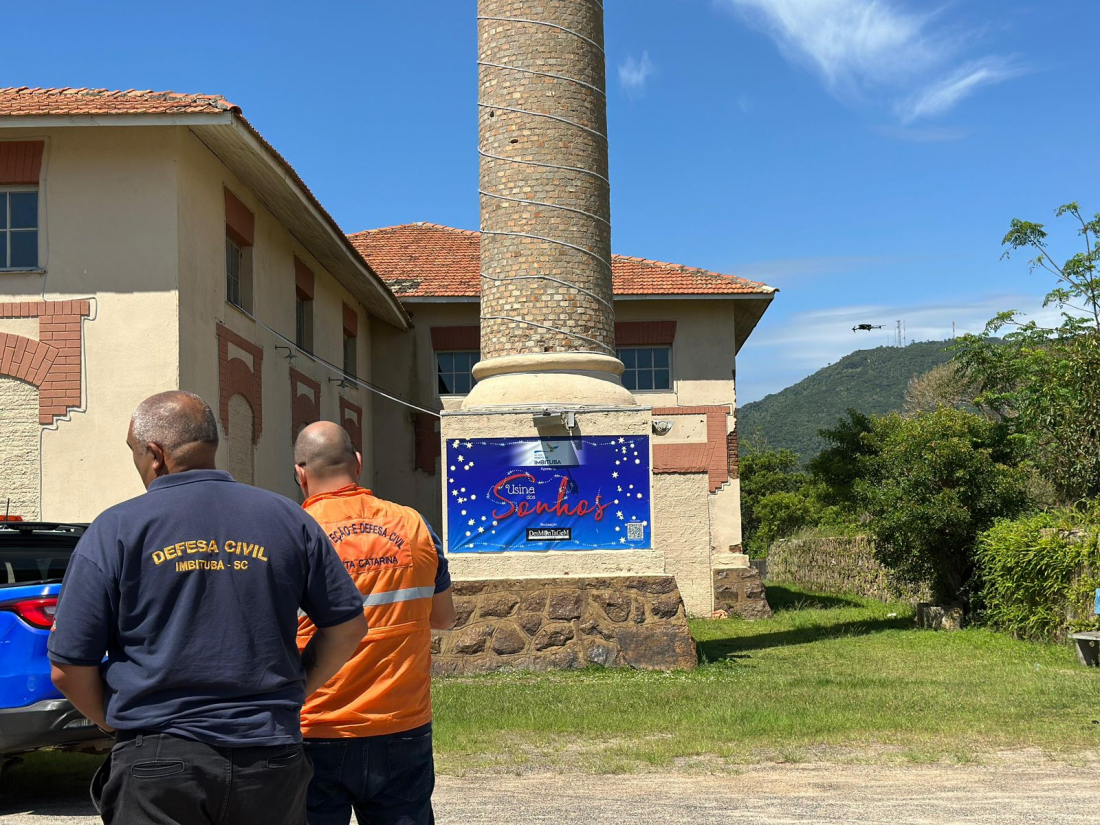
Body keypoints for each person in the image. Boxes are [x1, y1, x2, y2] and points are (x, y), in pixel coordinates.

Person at [48, 391, 368, 825]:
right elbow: (347, 628)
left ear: (156, 454)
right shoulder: (288, 519)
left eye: (135, 452)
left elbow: (68, 667)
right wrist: (296, 690)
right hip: (269, 756)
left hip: (157, 759)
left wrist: (116, 720)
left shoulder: (115, 529)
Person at [292, 421, 455, 825]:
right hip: (402, 725)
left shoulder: (291, 533)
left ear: (300, 474)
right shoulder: (414, 525)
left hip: (315, 728)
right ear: (358, 463)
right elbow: (443, 618)